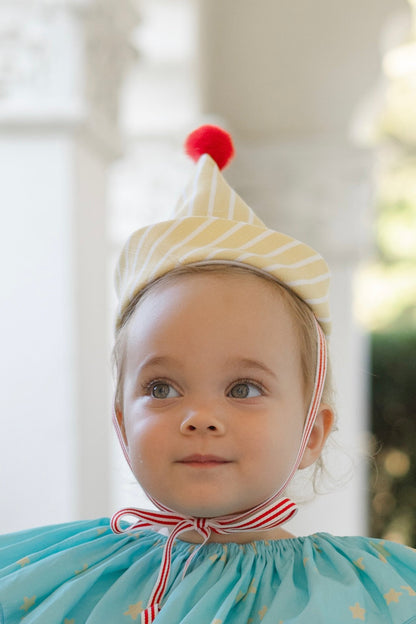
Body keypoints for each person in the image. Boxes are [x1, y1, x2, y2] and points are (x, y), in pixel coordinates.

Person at [0, 125, 415, 624]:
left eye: (243, 388)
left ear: (313, 433)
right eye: (161, 388)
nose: (200, 417)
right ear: (121, 422)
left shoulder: (373, 595)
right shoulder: (51, 580)